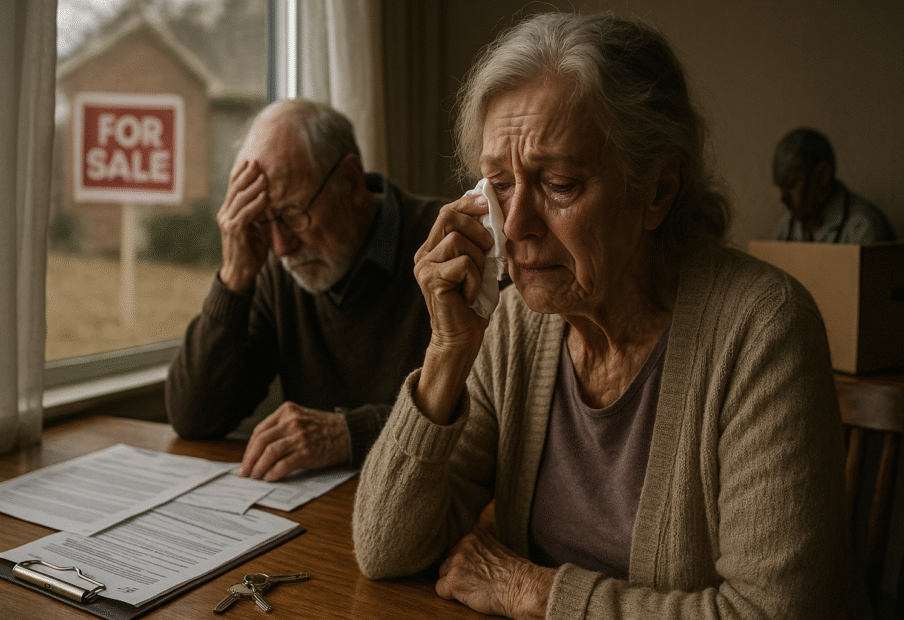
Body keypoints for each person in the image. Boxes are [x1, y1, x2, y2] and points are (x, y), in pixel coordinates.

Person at [352, 12, 869, 619]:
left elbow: (770, 614)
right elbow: (386, 549)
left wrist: (537, 592)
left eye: (560, 184)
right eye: (497, 184)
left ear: (658, 191)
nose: (515, 225)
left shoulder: (762, 329)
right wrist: (444, 353)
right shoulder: (517, 323)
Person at [166, 99, 445, 481]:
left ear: (350, 180)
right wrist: (234, 278)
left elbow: (490, 417)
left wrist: (349, 434)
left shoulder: (449, 245)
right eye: (264, 222)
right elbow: (193, 417)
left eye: (294, 215)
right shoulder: (275, 270)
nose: (281, 248)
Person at [773, 127, 896, 243]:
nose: (783, 198)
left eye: (792, 184)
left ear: (822, 174)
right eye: (781, 187)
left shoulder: (864, 226)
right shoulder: (788, 224)